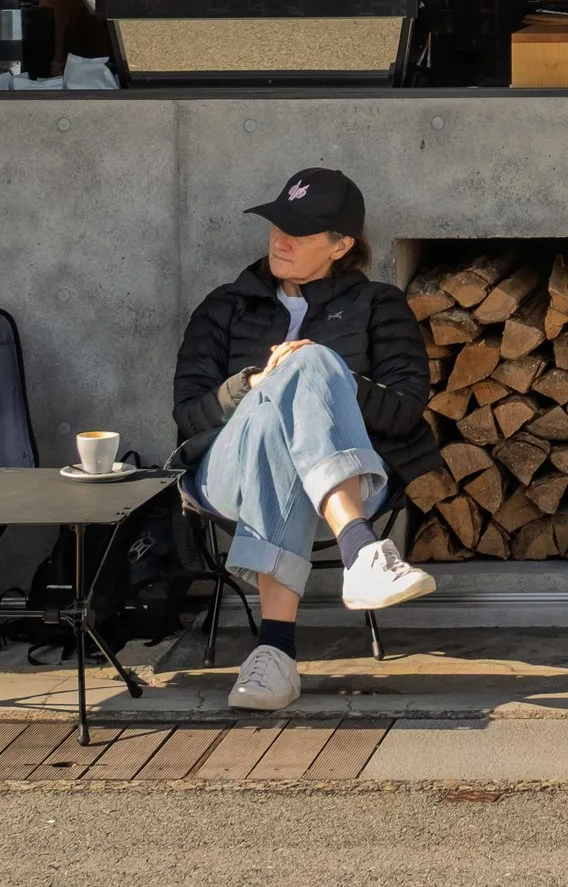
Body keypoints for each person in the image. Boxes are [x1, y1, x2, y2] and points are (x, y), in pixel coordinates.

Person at [173, 165, 443, 711]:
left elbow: (406, 410)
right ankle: (361, 551)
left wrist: (327, 378)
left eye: (298, 230)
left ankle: (275, 655)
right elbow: (189, 416)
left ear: (342, 245)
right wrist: (256, 383)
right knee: (286, 386)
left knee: (311, 366)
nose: (279, 238)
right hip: (227, 477)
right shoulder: (224, 306)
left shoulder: (379, 305)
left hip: (354, 473)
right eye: (276, 224)